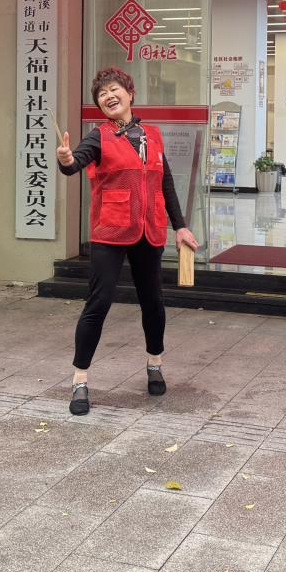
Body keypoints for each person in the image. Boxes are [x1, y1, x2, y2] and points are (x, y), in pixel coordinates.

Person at [56, 67, 199, 416]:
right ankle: (80, 379)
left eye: (114, 89)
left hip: (149, 230)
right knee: (99, 302)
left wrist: (180, 226)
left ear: (130, 93)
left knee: (153, 300)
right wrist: (66, 160)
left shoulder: (153, 135)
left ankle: (154, 362)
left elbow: (165, 183)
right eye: (102, 94)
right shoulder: (98, 137)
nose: (108, 96)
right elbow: (75, 163)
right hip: (110, 230)